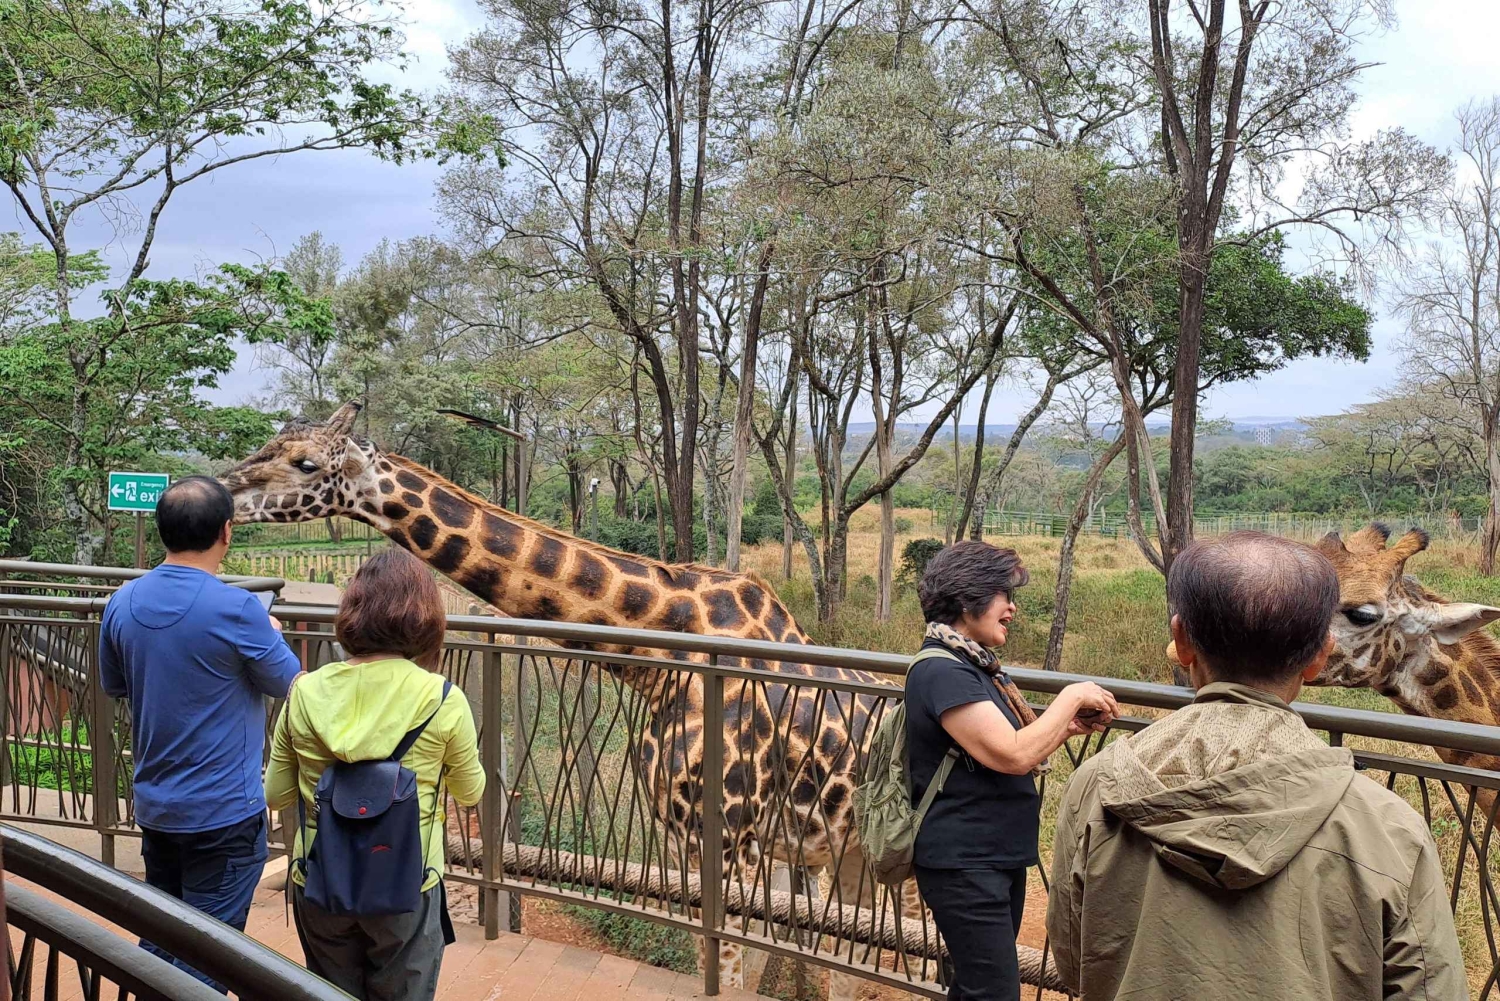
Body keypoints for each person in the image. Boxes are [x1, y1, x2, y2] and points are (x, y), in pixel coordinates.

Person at [1047, 531, 1468, 999]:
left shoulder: (1095, 786)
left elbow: (1071, 959)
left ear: (1181, 640)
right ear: (1318, 656)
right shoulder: (1390, 827)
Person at [98, 476, 303, 991]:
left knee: (161, 936)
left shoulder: (121, 603)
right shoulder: (238, 610)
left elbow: (115, 684)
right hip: (223, 814)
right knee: (209, 955)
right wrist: (269, 633)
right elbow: (291, 684)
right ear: (226, 533)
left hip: (156, 808)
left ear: (165, 531)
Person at [264, 547, 485, 1001]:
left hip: (320, 878)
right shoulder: (443, 699)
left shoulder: (303, 693)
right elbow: (469, 790)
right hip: (408, 882)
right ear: (426, 619)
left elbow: (276, 794)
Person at [904, 541, 1117, 1001]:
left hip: (992, 855)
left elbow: (1006, 749)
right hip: (963, 861)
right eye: (1003, 594)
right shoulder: (943, 672)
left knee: (974, 986)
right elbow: (1012, 754)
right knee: (995, 992)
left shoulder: (974, 666)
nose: (1011, 607)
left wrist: (1064, 727)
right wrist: (1070, 695)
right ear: (967, 600)